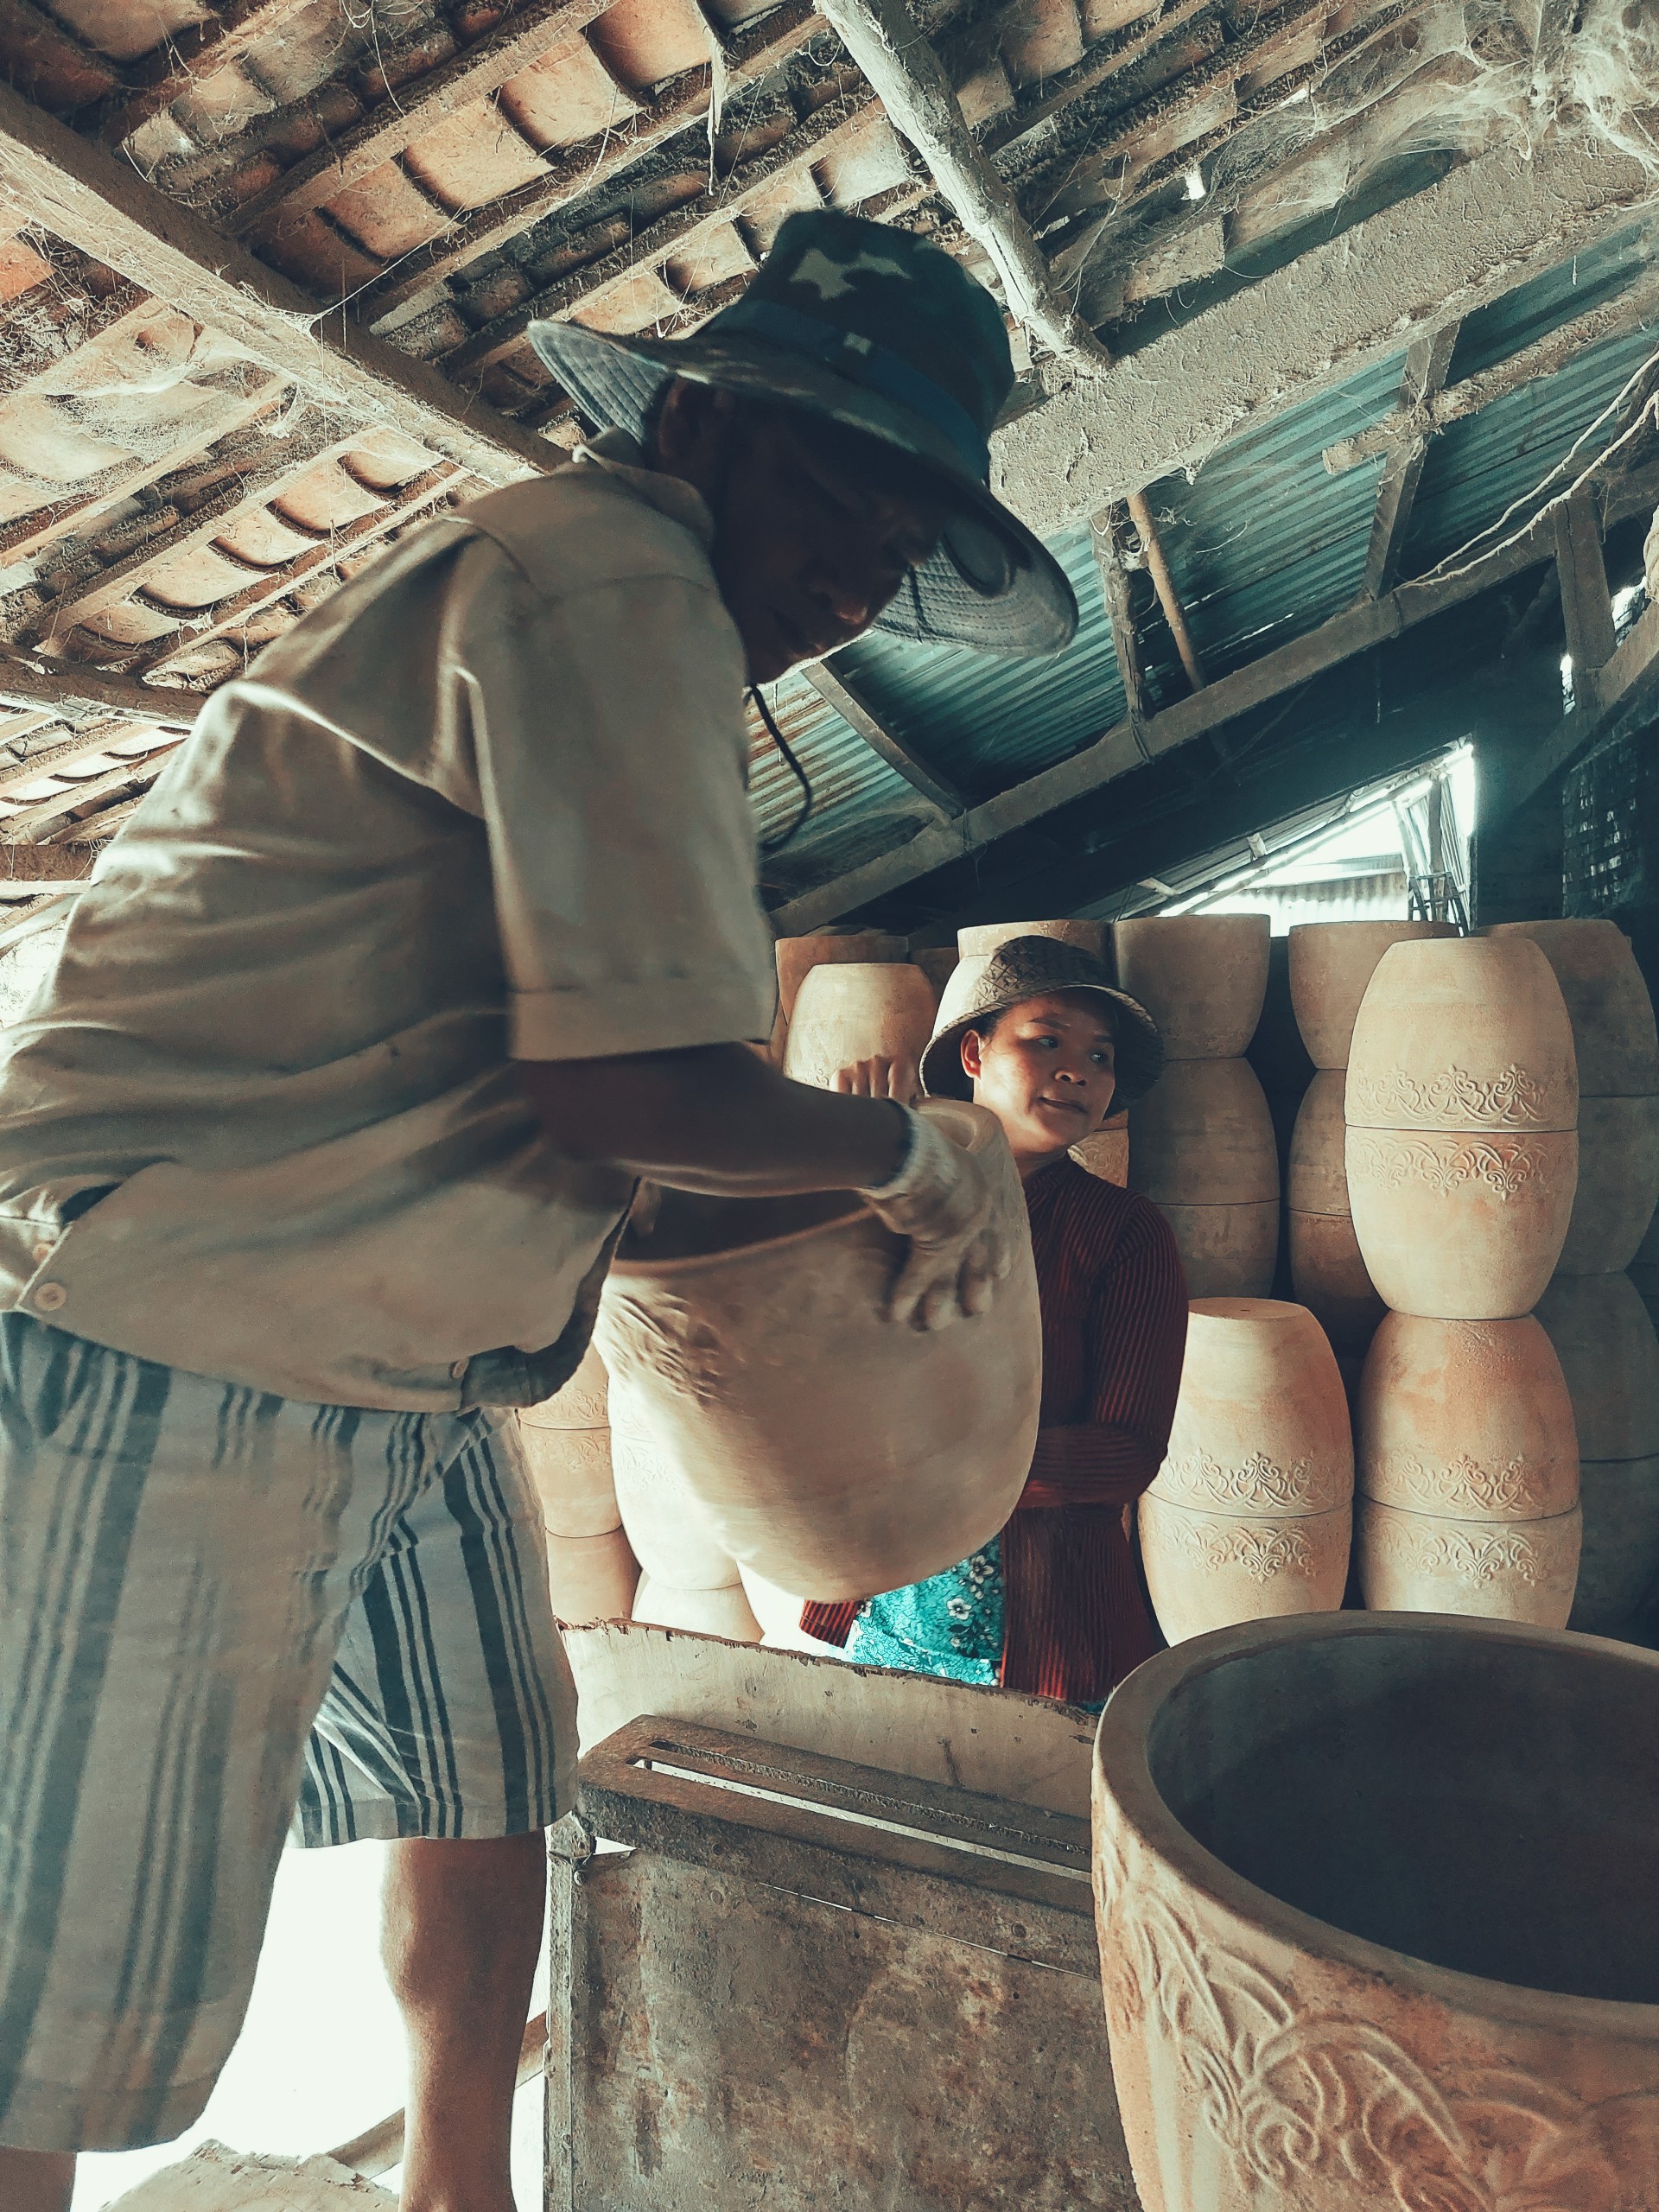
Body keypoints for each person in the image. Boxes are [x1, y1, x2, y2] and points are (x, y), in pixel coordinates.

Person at [0, 211, 1080, 2212]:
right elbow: (629, 1089)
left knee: (491, 1752)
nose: (857, 571)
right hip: (182, 1305)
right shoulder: (610, 578)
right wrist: (902, 1156)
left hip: (395, 1342)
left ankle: (458, 2184)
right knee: (72, 1953)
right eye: (839, 483)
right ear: (697, 419)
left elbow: (596, 1127)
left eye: (902, 527)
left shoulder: (623, 612)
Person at [803, 937, 1188, 1705]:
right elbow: (812, 1365)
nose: (1077, 1070)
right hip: (887, 1601)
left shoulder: (1122, 1231)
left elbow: (1127, 1452)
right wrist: (854, 1167)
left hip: (1043, 1630)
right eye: (1045, 1041)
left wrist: (946, 1472)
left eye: (1099, 1056)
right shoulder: (890, 1196)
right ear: (974, 1054)